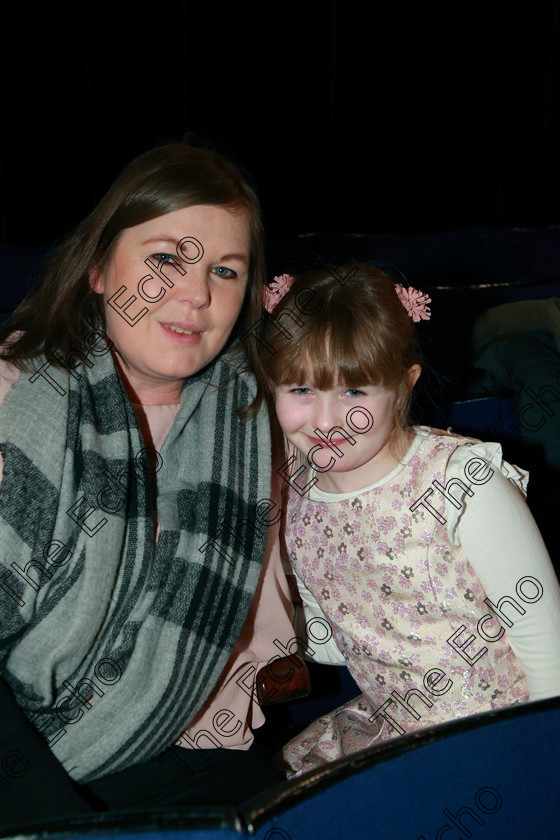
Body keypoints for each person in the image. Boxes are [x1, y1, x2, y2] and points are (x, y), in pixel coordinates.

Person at [0, 141, 297, 824]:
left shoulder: (255, 424)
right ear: (99, 268)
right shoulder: (15, 397)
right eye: (167, 257)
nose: (196, 296)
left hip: (184, 750)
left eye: (225, 270)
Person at [256, 262, 560, 777]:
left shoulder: (461, 482)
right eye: (301, 390)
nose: (327, 421)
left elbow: (543, 637)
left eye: (354, 392)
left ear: (402, 385)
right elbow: (346, 637)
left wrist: (539, 766)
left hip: (495, 736)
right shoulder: (297, 493)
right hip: (394, 729)